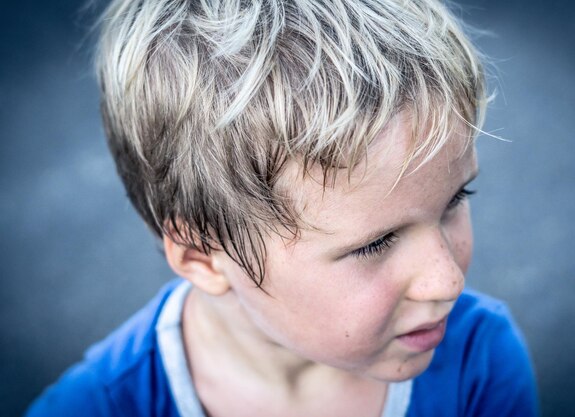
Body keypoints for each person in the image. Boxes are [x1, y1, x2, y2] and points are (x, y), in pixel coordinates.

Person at [25, 0, 539, 416]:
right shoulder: (96, 406)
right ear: (204, 257)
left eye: (455, 201)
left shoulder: (481, 360)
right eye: (375, 243)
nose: (447, 280)